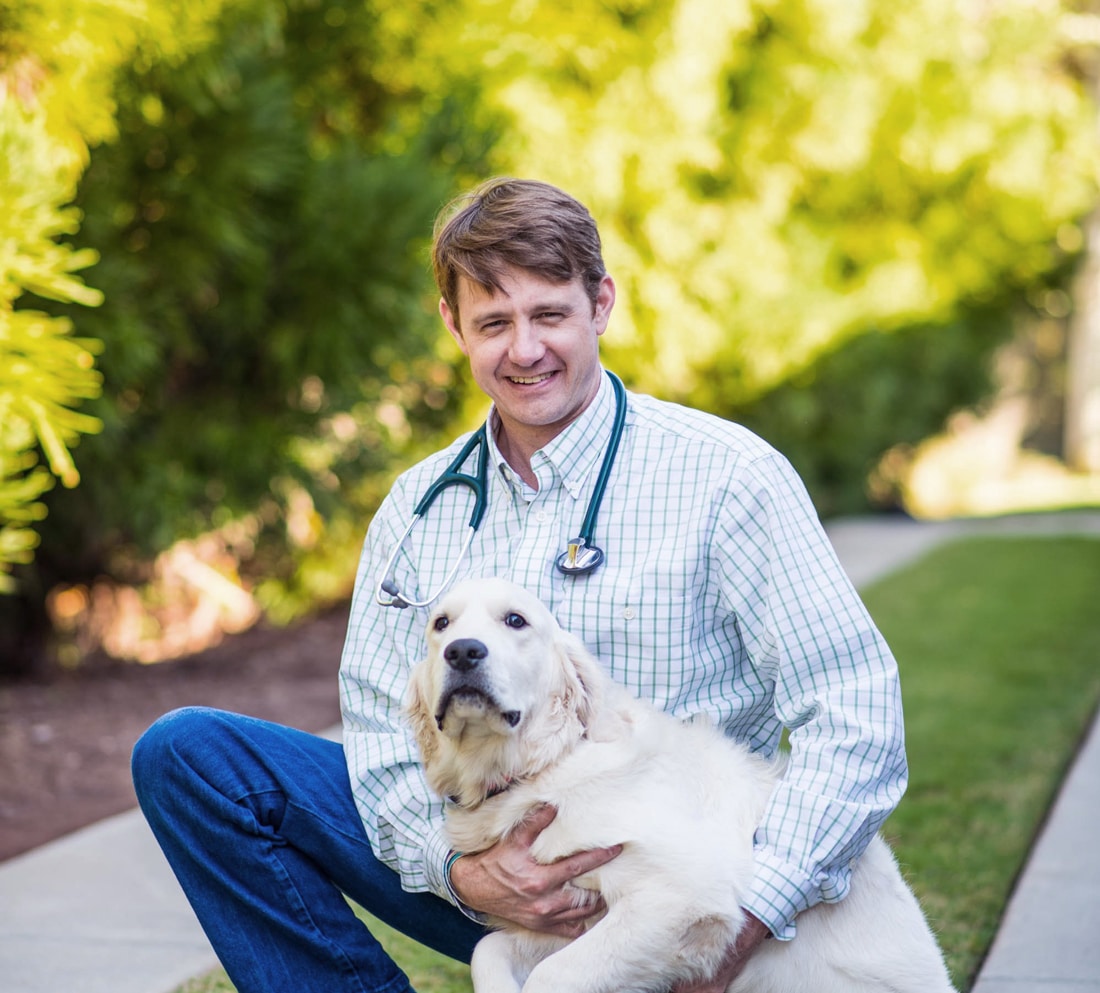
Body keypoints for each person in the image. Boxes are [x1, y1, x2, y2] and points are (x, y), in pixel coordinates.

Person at [133, 177, 907, 993]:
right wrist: (461, 871)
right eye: (494, 322)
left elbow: (853, 711)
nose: (525, 349)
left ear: (601, 304)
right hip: (488, 863)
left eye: (549, 315)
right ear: (453, 325)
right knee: (190, 757)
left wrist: (738, 923)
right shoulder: (416, 508)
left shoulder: (728, 477)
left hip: (664, 882)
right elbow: (377, 728)